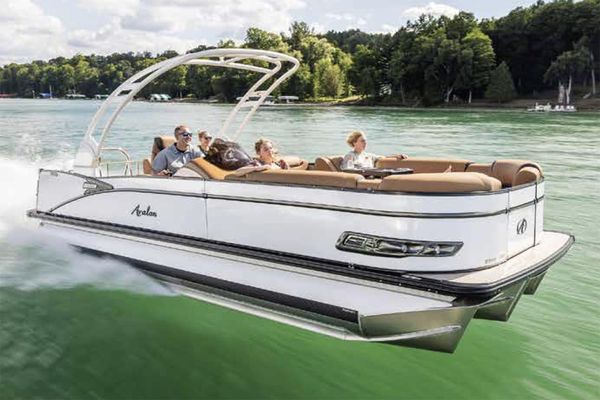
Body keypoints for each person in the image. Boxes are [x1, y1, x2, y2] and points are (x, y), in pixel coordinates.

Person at [340, 131, 407, 170]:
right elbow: (347, 171)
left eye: (365, 141)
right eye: (362, 141)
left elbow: (384, 157)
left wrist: (397, 156)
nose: (365, 143)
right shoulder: (350, 156)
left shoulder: (369, 155)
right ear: (354, 143)